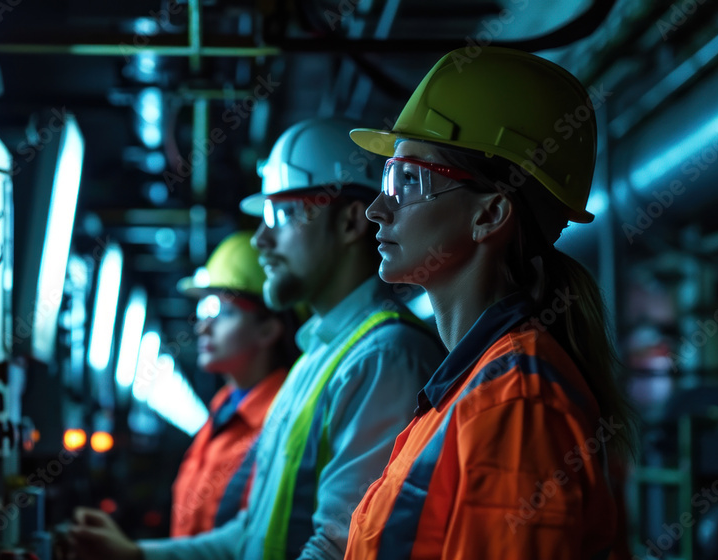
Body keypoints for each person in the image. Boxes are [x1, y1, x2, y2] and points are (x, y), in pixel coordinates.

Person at [69, 117, 444, 560]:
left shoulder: (384, 358)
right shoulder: (317, 361)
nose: (262, 239)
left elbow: (340, 548)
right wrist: (135, 555)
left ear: (348, 223)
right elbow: (253, 533)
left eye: (281, 214)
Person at [343, 46, 636, 559]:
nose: (376, 208)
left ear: (491, 214)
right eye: (387, 176)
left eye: (407, 180)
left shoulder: (516, 403)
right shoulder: (468, 389)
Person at [171, 230, 302, 537]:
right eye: (204, 310)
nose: (204, 327)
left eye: (223, 311)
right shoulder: (222, 410)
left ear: (268, 329)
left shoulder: (285, 419)